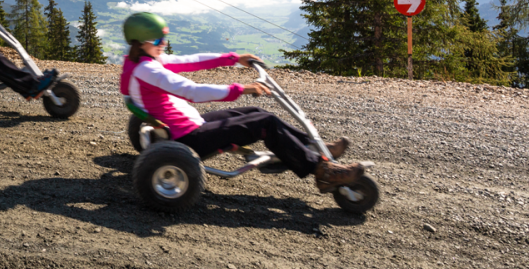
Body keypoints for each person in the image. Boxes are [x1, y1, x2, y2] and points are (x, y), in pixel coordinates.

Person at [119, 12, 365, 193]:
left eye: (164, 39)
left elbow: (191, 60)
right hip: (188, 137)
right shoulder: (148, 70)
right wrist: (240, 89)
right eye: (157, 40)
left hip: (188, 124)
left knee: (254, 111)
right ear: (139, 42)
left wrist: (234, 58)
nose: (164, 45)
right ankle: (322, 172)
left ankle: (314, 147)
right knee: (265, 123)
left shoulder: (143, 62)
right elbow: (191, 91)